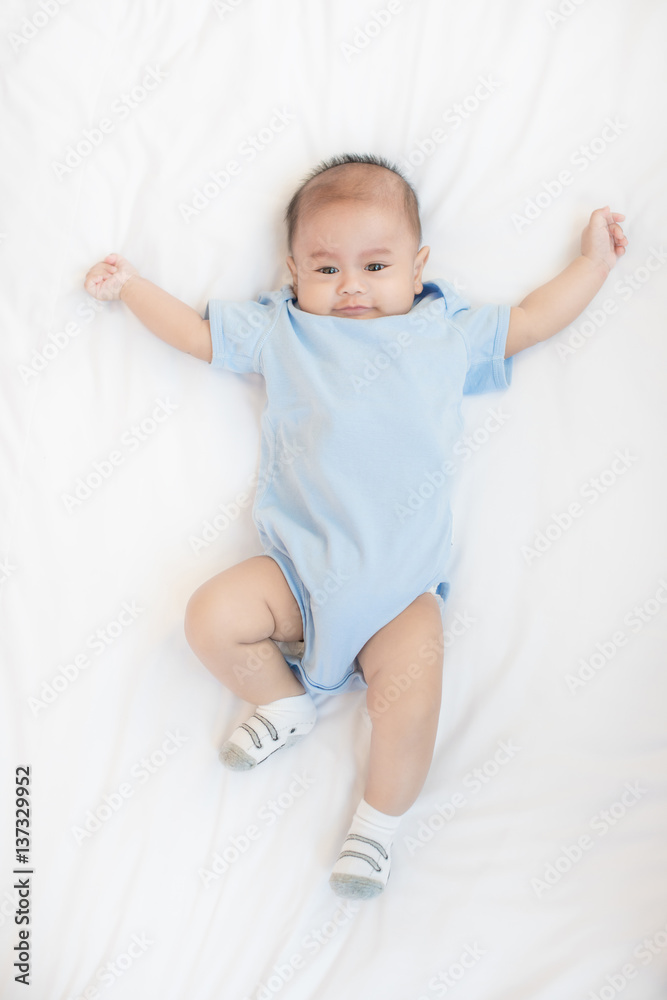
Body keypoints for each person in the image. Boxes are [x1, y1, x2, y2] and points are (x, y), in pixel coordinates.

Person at [83, 152, 627, 900]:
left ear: (416, 266)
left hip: (400, 591)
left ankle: (377, 826)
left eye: (375, 266)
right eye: (326, 268)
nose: (351, 288)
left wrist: (591, 268)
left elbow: (531, 320)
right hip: (298, 575)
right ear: (292, 272)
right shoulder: (283, 330)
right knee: (210, 616)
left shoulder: (443, 331)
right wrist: (133, 289)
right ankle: (281, 701)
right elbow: (198, 335)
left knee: (410, 701)